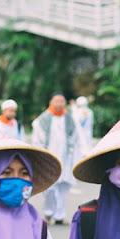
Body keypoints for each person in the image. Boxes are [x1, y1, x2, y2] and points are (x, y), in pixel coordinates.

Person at [32, 92, 85, 225]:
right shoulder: (43, 119)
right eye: (57, 101)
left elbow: (76, 137)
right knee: (50, 187)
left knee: (63, 187)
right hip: (49, 158)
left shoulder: (70, 118)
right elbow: (38, 139)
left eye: (62, 101)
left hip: (66, 158)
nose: (60, 103)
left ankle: (60, 216)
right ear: (51, 103)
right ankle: (49, 214)